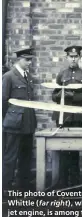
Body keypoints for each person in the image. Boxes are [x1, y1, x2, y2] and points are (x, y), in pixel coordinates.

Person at [51, 46, 82, 188]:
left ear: (79, 57)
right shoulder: (62, 74)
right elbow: (54, 95)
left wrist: (72, 95)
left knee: (74, 149)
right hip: (62, 116)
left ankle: (75, 181)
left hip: (76, 116)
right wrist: (61, 95)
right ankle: (62, 182)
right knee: (62, 149)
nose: (73, 59)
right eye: (71, 56)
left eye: (76, 56)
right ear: (67, 58)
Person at [2, 48, 37, 192]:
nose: (29, 62)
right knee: (10, 156)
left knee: (26, 155)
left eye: (30, 59)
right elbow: (3, 100)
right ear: (19, 60)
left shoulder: (28, 76)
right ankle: (5, 186)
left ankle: (22, 184)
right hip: (14, 123)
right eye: (27, 60)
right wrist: (8, 119)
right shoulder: (9, 76)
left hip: (27, 122)